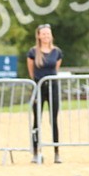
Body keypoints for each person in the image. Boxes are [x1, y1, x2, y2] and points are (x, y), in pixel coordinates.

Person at [27, 23, 63, 164]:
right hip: (38, 87)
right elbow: (31, 71)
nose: (46, 36)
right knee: (37, 120)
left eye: (48, 33)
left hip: (52, 87)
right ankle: (36, 152)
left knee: (53, 120)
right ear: (39, 35)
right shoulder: (33, 52)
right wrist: (37, 82)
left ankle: (56, 152)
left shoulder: (57, 52)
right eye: (43, 34)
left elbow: (56, 68)